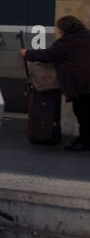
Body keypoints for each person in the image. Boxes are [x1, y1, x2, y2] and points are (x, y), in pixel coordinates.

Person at [22, 15, 90, 150]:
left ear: (64, 29)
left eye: (59, 29)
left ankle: (85, 142)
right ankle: (85, 139)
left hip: (80, 85)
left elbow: (48, 55)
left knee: (83, 114)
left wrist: (27, 53)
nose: (58, 31)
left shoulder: (66, 42)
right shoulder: (87, 36)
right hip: (85, 83)